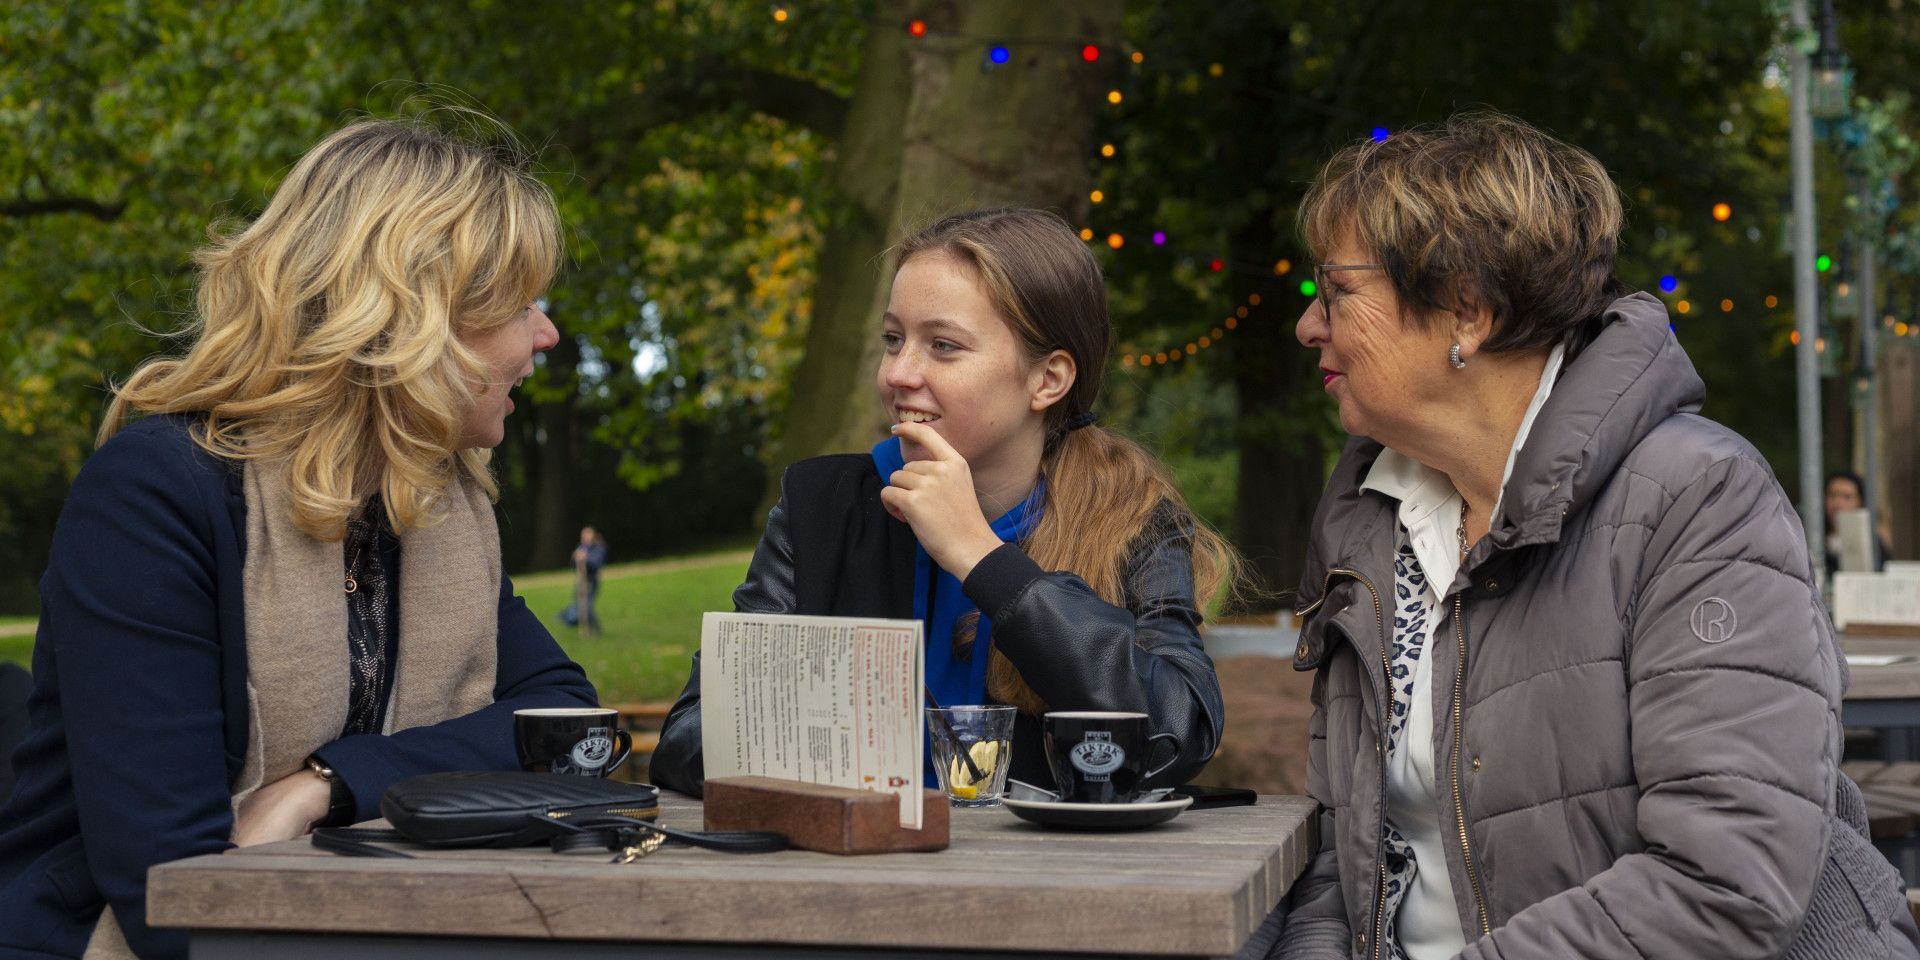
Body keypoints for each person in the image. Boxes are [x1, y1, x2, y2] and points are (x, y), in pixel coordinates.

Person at [1268, 112, 1918, 959]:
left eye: (1337, 291)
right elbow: (1344, 866)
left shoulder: (1697, 497)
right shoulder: (1370, 517)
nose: (1308, 326)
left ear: (1466, 311)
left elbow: (1723, 883)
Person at [0, 115, 599, 960]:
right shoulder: (153, 498)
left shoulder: (435, 504)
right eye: (520, 306)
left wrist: (327, 785)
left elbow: (569, 726)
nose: (547, 335)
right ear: (410, 318)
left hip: (361, 920)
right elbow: (174, 891)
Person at [651, 208, 1234, 796]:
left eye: (943, 346)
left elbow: (1178, 736)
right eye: (893, 339)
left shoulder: (1132, 517)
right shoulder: (823, 504)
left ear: (1048, 379)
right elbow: (689, 741)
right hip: (856, 872)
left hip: (1054, 880)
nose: (900, 373)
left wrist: (986, 562)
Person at [1825, 469, 1893, 574]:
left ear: (1860, 502)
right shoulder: (1812, 537)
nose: (1838, 504)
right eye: (1833, 495)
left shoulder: (1873, 543)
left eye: (1847, 497)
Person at [562, 526, 608, 634]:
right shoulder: (581, 548)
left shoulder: (598, 548)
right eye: (583, 535)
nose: (585, 537)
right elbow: (573, 566)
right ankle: (573, 621)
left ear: (592, 536)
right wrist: (575, 558)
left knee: (586, 605)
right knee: (579, 605)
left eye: (587, 535)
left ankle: (595, 629)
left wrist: (585, 559)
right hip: (581, 580)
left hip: (591, 581)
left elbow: (596, 564)